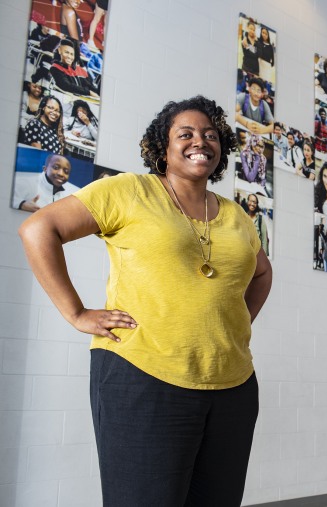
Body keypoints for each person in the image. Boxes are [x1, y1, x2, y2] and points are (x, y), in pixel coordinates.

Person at [18, 95, 273, 506]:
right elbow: (38, 229)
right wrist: (77, 313)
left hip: (233, 385)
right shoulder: (128, 191)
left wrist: (236, 322)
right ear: (163, 147)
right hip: (142, 375)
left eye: (210, 134)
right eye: (185, 133)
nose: (200, 141)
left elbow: (262, 272)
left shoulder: (237, 215)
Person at [12, 153, 79, 212]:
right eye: (56, 167)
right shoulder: (26, 182)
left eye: (66, 171)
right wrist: (21, 204)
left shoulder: (72, 194)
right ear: (45, 169)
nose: (61, 174)